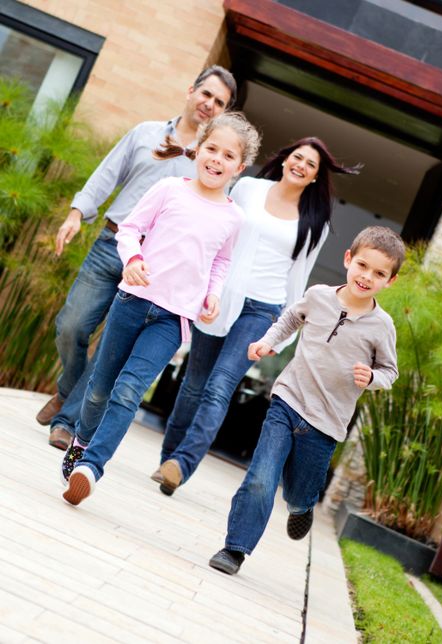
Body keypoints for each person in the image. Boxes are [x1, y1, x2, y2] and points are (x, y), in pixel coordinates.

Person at [60, 112, 261, 506]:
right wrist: (133, 260)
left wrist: (212, 295)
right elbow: (131, 229)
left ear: (240, 167)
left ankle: (91, 467)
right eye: (211, 149)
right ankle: (82, 442)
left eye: (227, 156)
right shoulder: (169, 189)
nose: (216, 160)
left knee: (129, 391)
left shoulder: (234, 217)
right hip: (131, 302)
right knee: (100, 388)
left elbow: (220, 262)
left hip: (173, 318)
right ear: (198, 149)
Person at [35, 65, 237, 450]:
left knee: (110, 349)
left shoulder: (213, 162)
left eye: (219, 102)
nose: (209, 104)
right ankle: (68, 389)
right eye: (206, 94)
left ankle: (66, 421)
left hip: (156, 269)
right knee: (72, 326)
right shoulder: (145, 133)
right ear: (190, 90)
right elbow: (106, 174)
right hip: (113, 244)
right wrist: (77, 213)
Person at [152, 138, 360, 496]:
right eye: (297, 157)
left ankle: (182, 464)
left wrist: (286, 332)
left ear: (314, 177)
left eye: (310, 165)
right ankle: (169, 460)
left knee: (220, 385)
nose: (301, 166)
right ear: (284, 160)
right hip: (219, 297)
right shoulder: (248, 189)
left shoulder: (315, 222)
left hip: (263, 308)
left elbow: (299, 277)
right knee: (194, 381)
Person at [208, 226, 405, 575]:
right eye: (362, 265)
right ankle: (234, 549)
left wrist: (373, 378)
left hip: (327, 422)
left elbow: (390, 371)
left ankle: (302, 506)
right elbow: (289, 319)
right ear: (348, 259)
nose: (366, 276)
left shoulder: (382, 326)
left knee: (299, 492)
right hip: (288, 400)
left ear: (390, 281)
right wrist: (268, 341)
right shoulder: (318, 296)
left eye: (378, 273)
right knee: (261, 477)